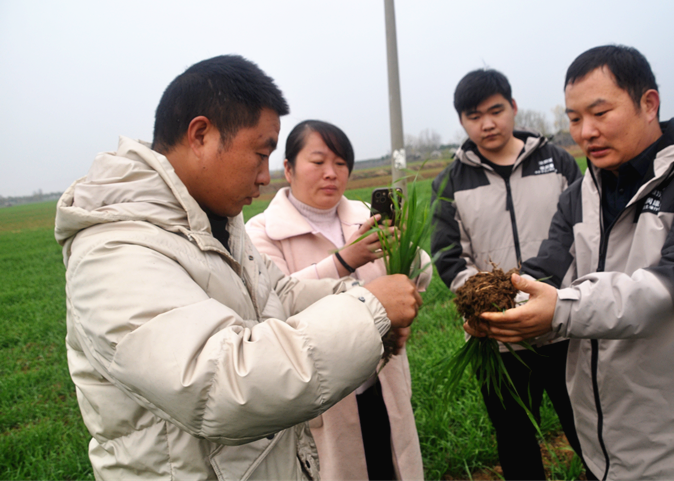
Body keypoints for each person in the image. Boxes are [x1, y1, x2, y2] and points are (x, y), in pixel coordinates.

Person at [54, 55, 422, 480]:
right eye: (260, 153)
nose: (265, 177)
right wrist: (369, 311)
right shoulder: (115, 250)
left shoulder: (217, 224)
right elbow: (221, 386)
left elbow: (278, 296)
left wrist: (360, 298)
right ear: (201, 135)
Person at [472, 45, 674, 480]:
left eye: (600, 113)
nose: (585, 131)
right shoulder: (579, 195)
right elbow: (550, 266)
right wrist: (498, 301)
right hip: (605, 450)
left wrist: (561, 310)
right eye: (573, 119)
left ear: (649, 104)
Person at [245, 120, 428, 481]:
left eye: (341, 163)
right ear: (288, 168)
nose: (331, 174)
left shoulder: (365, 215)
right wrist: (345, 261)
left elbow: (420, 274)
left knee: (391, 467)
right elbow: (274, 302)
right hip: (326, 399)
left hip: (382, 382)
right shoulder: (262, 233)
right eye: (318, 162)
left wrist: (406, 261)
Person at [430, 68, 584, 481]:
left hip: (565, 324)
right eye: (473, 115)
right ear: (462, 121)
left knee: (589, 428)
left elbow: (584, 233)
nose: (487, 123)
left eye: (496, 110)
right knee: (515, 439)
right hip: (498, 339)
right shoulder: (451, 182)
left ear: (513, 108)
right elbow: (448, 255)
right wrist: (486, 304)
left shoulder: (559, 162)